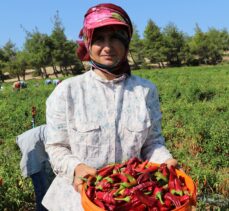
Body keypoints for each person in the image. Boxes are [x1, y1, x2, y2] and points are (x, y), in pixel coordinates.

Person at [42, 3, 178, 210]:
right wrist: (76, 167)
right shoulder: (67, 91)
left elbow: (152, 143)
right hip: (76, 199)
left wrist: (165, 160)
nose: (107, 47)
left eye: (115, 37)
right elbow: (56, 146)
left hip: (131, 198)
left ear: (126, 41)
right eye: (99, 39)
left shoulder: (145, 90)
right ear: (88, 43)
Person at [16, 125, 55, 211]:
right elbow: (52, 151)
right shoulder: (53, 131)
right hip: (34, 157)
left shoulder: (50, 129)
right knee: (43, 191)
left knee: (43, 190)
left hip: (31, 147)